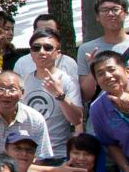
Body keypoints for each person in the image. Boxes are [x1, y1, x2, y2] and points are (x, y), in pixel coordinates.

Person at [14, 29, 86, 161]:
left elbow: (76, 119)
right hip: (28, 155)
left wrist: (60, 95)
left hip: (58, 155)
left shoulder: (68, 81)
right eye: (36, 48)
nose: (41, 52)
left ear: (58, 53)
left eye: (48, 48)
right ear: (31, 53)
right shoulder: (23, 82)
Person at [0, 71, 51, 162]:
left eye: (12, 89)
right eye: (1, 89)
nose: (6, 94)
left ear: (22, 93)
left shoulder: (35, 119)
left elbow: (40, 158)